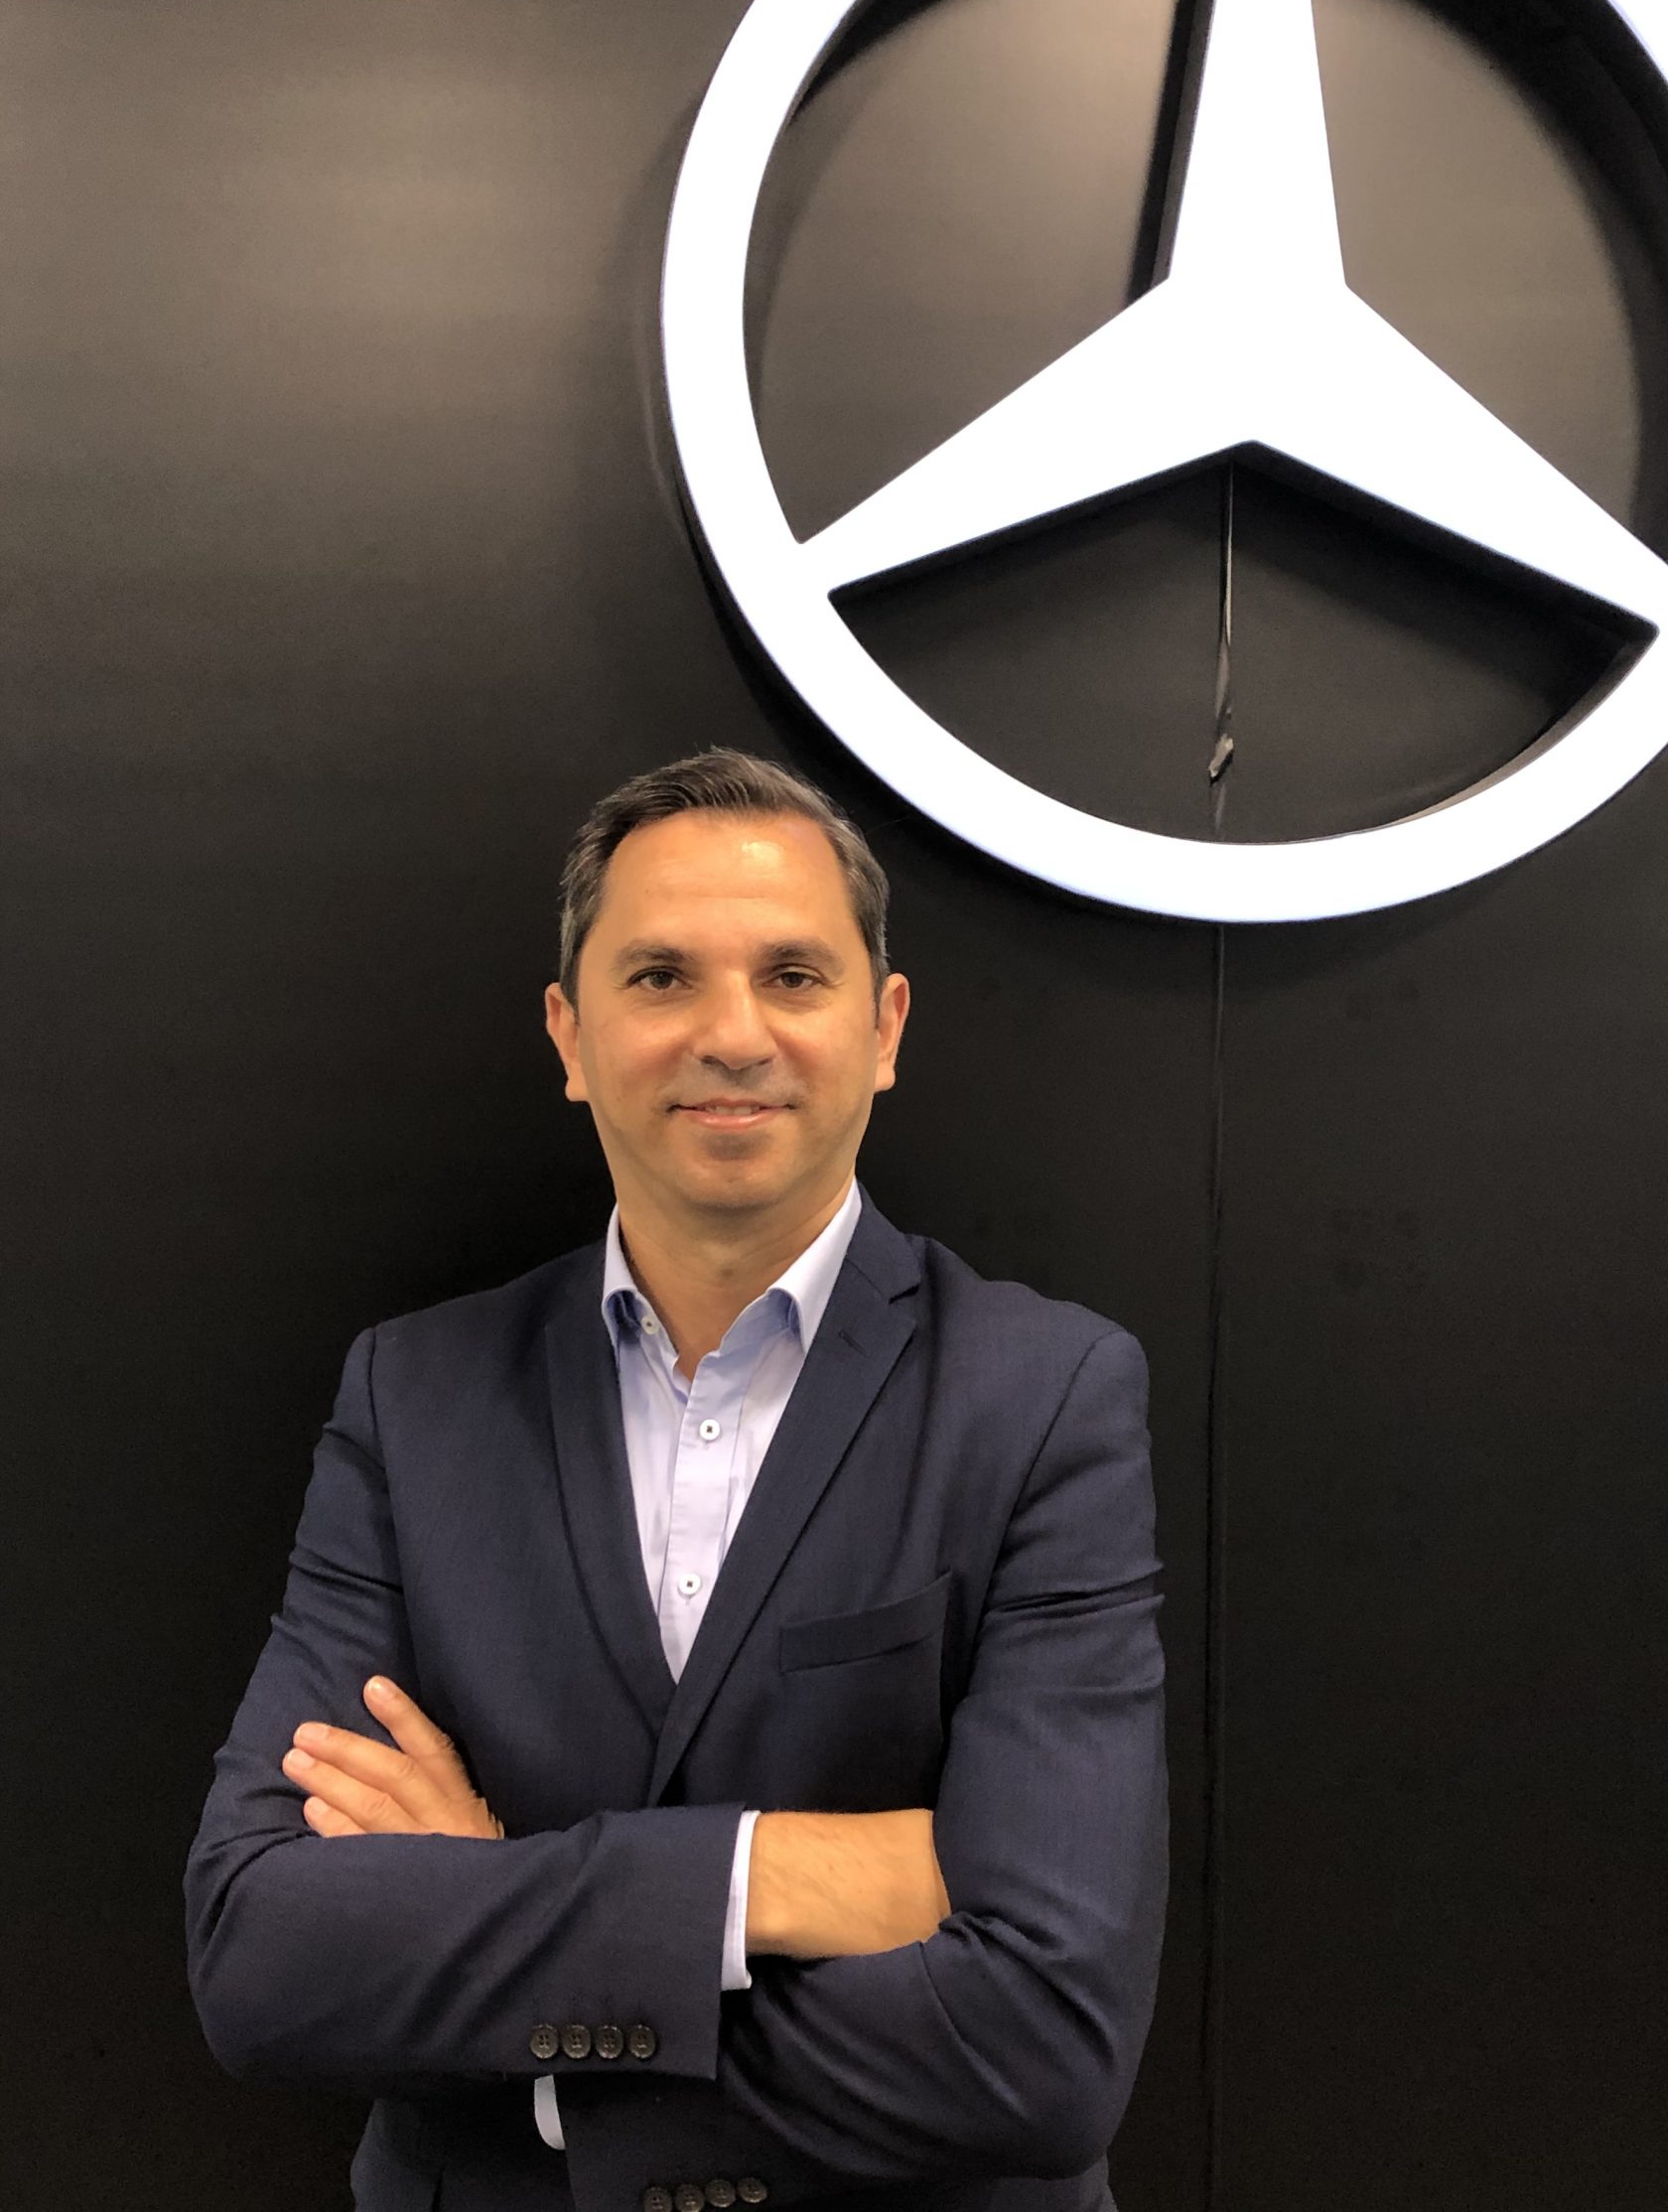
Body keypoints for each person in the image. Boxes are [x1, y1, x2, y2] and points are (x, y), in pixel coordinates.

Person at [187, 750, 1167, 2212]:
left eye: (793, 976)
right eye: (660, 978)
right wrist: (773, 1877)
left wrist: (493, 1908)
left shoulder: (1047, 1398)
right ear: (570, 1035)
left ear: (885, 1028)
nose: (732, 1035)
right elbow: (261, 1953)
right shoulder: (415, 1397)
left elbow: (1045, 2044)